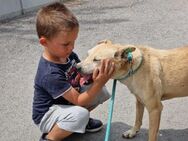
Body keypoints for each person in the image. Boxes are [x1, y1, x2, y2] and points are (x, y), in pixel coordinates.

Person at [32, 2, 115, 141]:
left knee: (100, 91)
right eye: (66, 44)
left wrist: (100, 69)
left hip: (67, 103)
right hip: (47, 115)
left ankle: (78, 122)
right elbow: (78, 100)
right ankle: (50, 137)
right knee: (81, 111)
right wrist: (99, 82)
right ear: (44, 42)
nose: (71, 47)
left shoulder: (68, 55)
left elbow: (83, 76)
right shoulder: (49, 73)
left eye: (73, 41)